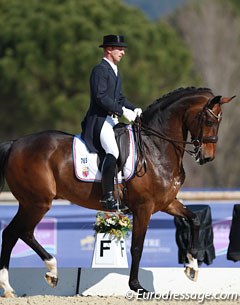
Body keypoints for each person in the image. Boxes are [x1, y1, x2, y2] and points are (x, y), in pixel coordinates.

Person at [81, 34, 142, 210]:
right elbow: (101, 97)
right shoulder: (99, 70)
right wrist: (122, 111)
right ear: (109, 49)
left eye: (123, 49)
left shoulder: (115, 71)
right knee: (113, 152)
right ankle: (107, 196)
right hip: (99, 120)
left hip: (112, 120)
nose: (123, 52)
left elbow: (120, 98)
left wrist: (133, 108)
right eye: (119, 49)